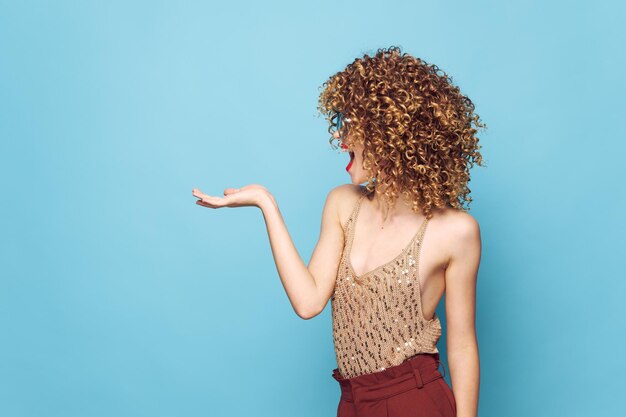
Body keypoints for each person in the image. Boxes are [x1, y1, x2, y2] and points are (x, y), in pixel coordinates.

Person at [192, 45, 485, 417]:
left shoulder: (455, 231)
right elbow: (308, 301)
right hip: (353, 401)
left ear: (390, 134)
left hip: (415, 399)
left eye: (353, 127)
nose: (341, 140)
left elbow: (462, 347)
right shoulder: (342, 203)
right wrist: (266, 204)